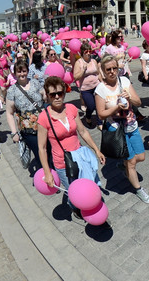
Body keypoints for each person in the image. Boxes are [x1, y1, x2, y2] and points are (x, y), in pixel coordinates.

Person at [38, 76, 107, 221]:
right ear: (48, 96)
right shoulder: (44, 117)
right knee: (72, 192)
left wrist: (96, 150)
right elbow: (42, 148)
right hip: (63, 163)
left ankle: (90, 208)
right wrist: (47, 173)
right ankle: (75, 207)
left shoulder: (71, 108)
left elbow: (83, 132)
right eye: (52, 94)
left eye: (60, 93)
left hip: (80, 157)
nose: (57, 97)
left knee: (87, 187)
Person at [95, 55, 149, 204]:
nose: (112, 72)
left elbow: (139, 102)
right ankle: (139, 190)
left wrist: (129, 98)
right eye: (108, 69)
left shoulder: (125, 81)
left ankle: (123, 165)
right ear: (103, 70)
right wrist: (116, 107)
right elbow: (101, 114)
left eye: (114, 68)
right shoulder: (100, 89)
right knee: (132, 162)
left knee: (141, 157)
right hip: (117, 129)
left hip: (132, 125)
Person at [6, 59, 45, 170]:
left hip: (44, 125)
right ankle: (46, 176)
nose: (22, 74)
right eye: (19, 71)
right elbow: (9, 113)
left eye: (24, 71)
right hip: (29, 131)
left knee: (50, 151)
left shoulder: (35, 83)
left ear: (28, 71)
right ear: (15, 73)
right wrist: (14, 133)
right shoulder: (12, 90)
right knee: (39, 155)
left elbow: (45, 97)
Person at [73, 42, 101, 128]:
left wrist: (103, 82)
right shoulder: (79, 62)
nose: (88, 53)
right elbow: (75, 77)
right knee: (91, 106)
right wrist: (83, 70)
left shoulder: (93, 61)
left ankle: (100, 123)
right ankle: (88, 116)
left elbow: (98, 73)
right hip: (86, 89)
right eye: (86, 51)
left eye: (89, 51)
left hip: (97, 85)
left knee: (99, 105)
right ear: (82, 52)